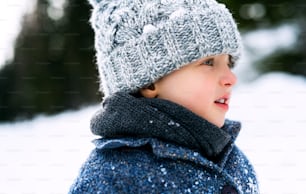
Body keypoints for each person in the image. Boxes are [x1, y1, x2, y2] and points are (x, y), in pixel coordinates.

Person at [69, 0, 259, 193]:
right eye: (209, 62)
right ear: (148, 82)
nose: (231, 78)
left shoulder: (234, 161)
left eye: (228, 62)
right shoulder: (114, 174)